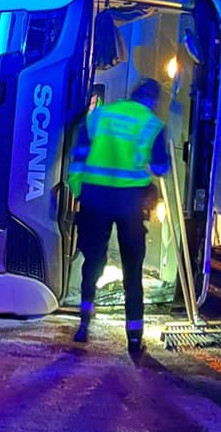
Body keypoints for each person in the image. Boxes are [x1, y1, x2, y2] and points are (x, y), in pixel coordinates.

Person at [67, 78, 170, 355]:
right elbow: (160, 168)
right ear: (152, 101)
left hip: (95, 199)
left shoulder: (100, 116)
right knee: (132, 271)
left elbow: (77, 158)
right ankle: (134, 340)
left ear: (131, 95)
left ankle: (84, 321)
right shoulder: (152, 125)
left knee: (93, 261)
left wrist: (79, 191)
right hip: (129, 204)